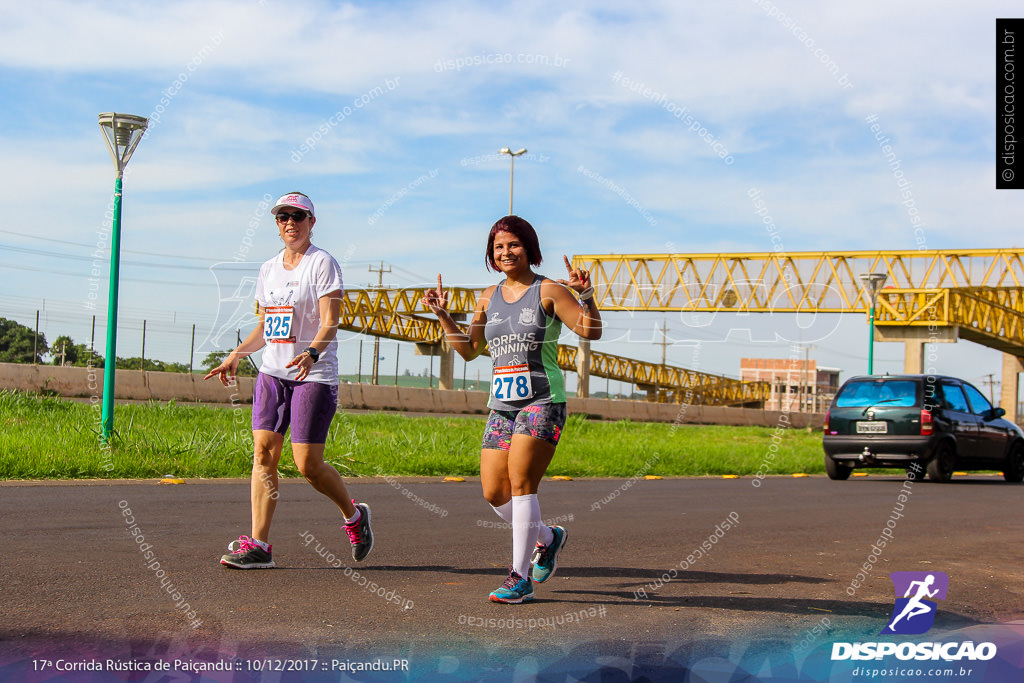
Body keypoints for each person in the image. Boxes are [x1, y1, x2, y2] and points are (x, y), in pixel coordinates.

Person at [421, 215, 602, 603]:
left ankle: (520, 579)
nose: (506, 252)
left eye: (513, 245)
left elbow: (590, 331)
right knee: (494, 493)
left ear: (530, 248)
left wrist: (586, 296)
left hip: (542, 401)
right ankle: (549, 538)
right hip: (502, 405)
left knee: (522, 485)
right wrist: (443, 315)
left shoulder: (549, 290)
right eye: (499, 247)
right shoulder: (488, 295)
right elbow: (469, 351)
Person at [204, 191, 373, 569]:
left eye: (298, 217)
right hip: (272, 373)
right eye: (283, 217)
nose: (290, 223)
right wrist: (236, 354)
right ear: (277, 224)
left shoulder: (322, 264)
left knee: (307, 464)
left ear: (312, 222)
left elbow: (331, 321)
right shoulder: (268, 269)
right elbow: (266, 326)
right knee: (263, 454)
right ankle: (260, 545)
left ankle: (354, 516)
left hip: (313, 374)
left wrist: (312, 352)